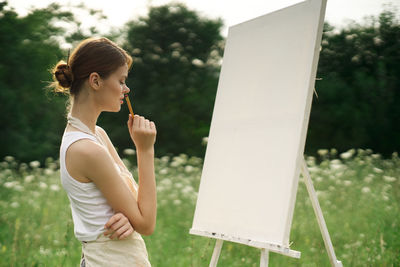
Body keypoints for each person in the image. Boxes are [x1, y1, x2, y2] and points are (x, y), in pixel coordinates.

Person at [51, 37, 157, 266]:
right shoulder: (87, 150)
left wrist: (131, 218)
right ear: (96, 81)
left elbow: (137, 210)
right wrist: (145, 150)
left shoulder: (97, 135)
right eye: (121, 81)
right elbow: (147, 223)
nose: (126, 90)